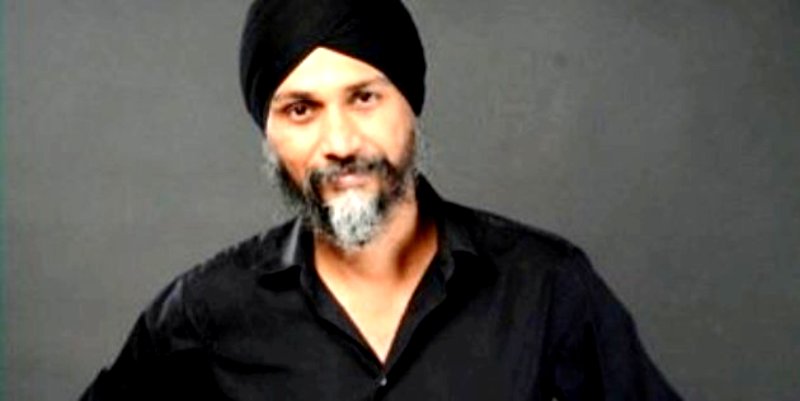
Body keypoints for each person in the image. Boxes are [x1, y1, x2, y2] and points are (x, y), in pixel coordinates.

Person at [80, 0, 683, 400]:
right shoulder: (205, 312)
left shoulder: (545, 287)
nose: (341, 143)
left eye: (364, 97)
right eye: (301, 110)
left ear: (408, 104)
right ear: (270, 134)